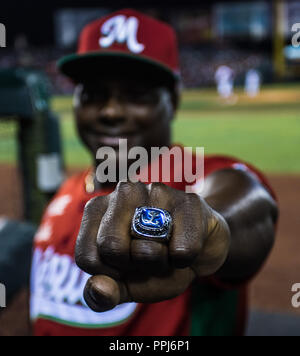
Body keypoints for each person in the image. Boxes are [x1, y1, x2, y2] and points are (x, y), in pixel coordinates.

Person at [30, 9, 278, 336]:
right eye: (93, 94)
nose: (111, 111)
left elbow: (249, 204)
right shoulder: (67, 192)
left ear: (173, 100)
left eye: (136, 95)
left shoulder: (193, 175)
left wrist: (210, 228)